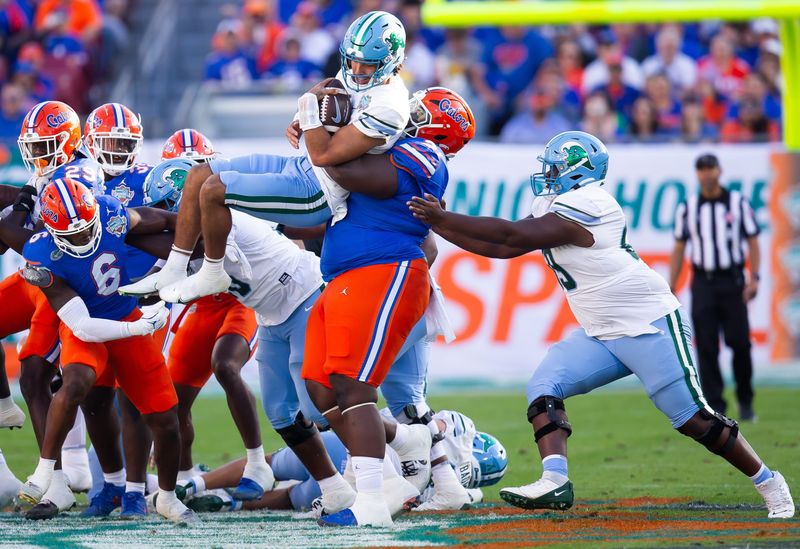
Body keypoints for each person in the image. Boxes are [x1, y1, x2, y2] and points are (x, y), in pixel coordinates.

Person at [408, 130, 795, 519]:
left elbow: (512, 235)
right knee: (545, 386)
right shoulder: (555, 201)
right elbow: (502, 247)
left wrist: (442, 217)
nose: (548, 173)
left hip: (648, 323)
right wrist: (439, 223)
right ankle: (554, 479)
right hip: (601, 331)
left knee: (693, 419)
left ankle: (769, 481)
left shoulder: (592, 203)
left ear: (579, 171)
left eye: (556, 166)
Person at [124, 10, 410, 303]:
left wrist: (308, 106)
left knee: (213, 191)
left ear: (392, 63)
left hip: (320, 192)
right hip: (303, 167)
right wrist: (307, 116)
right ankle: (174, 268)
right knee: (198, 175)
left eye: (366, 65)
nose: (356, 70)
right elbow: (326, 116)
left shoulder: (390, 106)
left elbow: (324, 153)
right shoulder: (356, 71)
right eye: (352, 61)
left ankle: (213, 272)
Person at [300, 90, 475, 528]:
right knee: (322, 388)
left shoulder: (422, 154)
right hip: (346, 277)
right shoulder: (399, 152)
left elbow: (336, 163)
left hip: (384, 276)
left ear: (435, 129)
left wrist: (316, 124)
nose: (405, 117)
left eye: (417, 113)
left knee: (354, 386)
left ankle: (374, 501)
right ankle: (411, 444)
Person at [11, 176, 197, 523]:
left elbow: (168, 220)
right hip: (88, 323)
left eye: (86, 228)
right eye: (73, 234)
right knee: (77, 382)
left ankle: (168, 498)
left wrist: (198, 250)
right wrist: (137, 327)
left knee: (166, 420)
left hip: (124, 311)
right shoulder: (40, 255)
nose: (83, 237)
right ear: (52, 233)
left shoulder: (111, 212)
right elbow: (81, 325)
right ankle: (46, 472)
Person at [669, 153, 760, 421]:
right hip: (703, 282)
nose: (706, 174)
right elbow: (679, 247)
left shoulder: (738, 203)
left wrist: (755, 277)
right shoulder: (689, 207)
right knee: (706, 346)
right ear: (697, 174)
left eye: (710, 168)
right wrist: (672, 285)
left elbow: (753, 241)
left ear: (719, 171)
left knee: (740, 343)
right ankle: (716, 406)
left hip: (732, 280)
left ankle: (746, 401)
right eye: (701, 169)